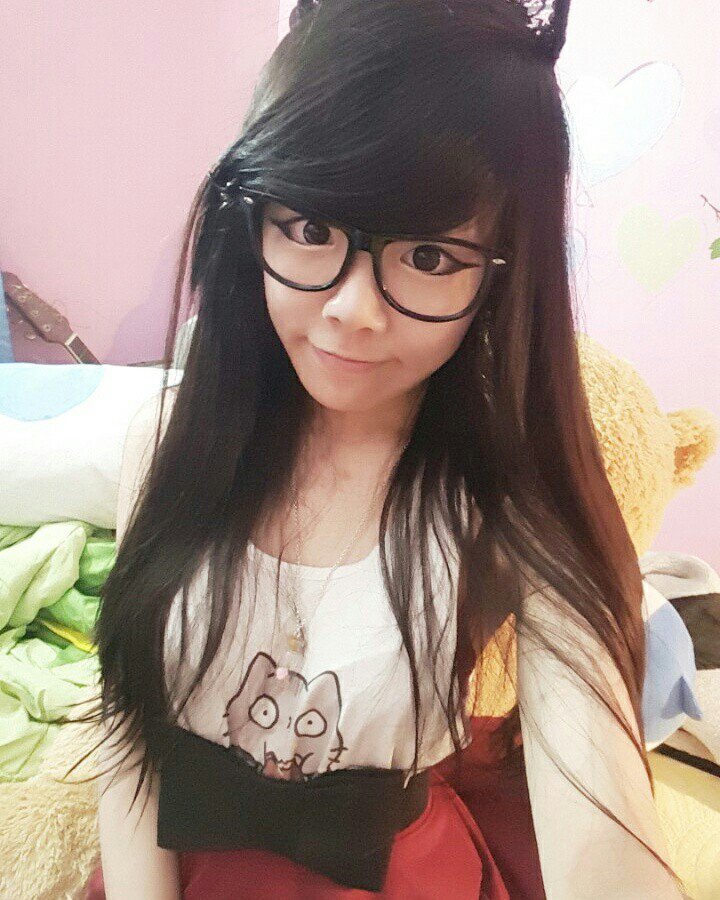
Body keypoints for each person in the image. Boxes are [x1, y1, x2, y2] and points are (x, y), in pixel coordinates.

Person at [75, 0, 691, 896]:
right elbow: (127, 730)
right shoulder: (165, 441)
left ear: (502, 273)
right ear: (250, 221)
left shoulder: (506, 496)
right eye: (311, 229)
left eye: (430, 257)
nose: (353, 310)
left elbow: (600, 814)